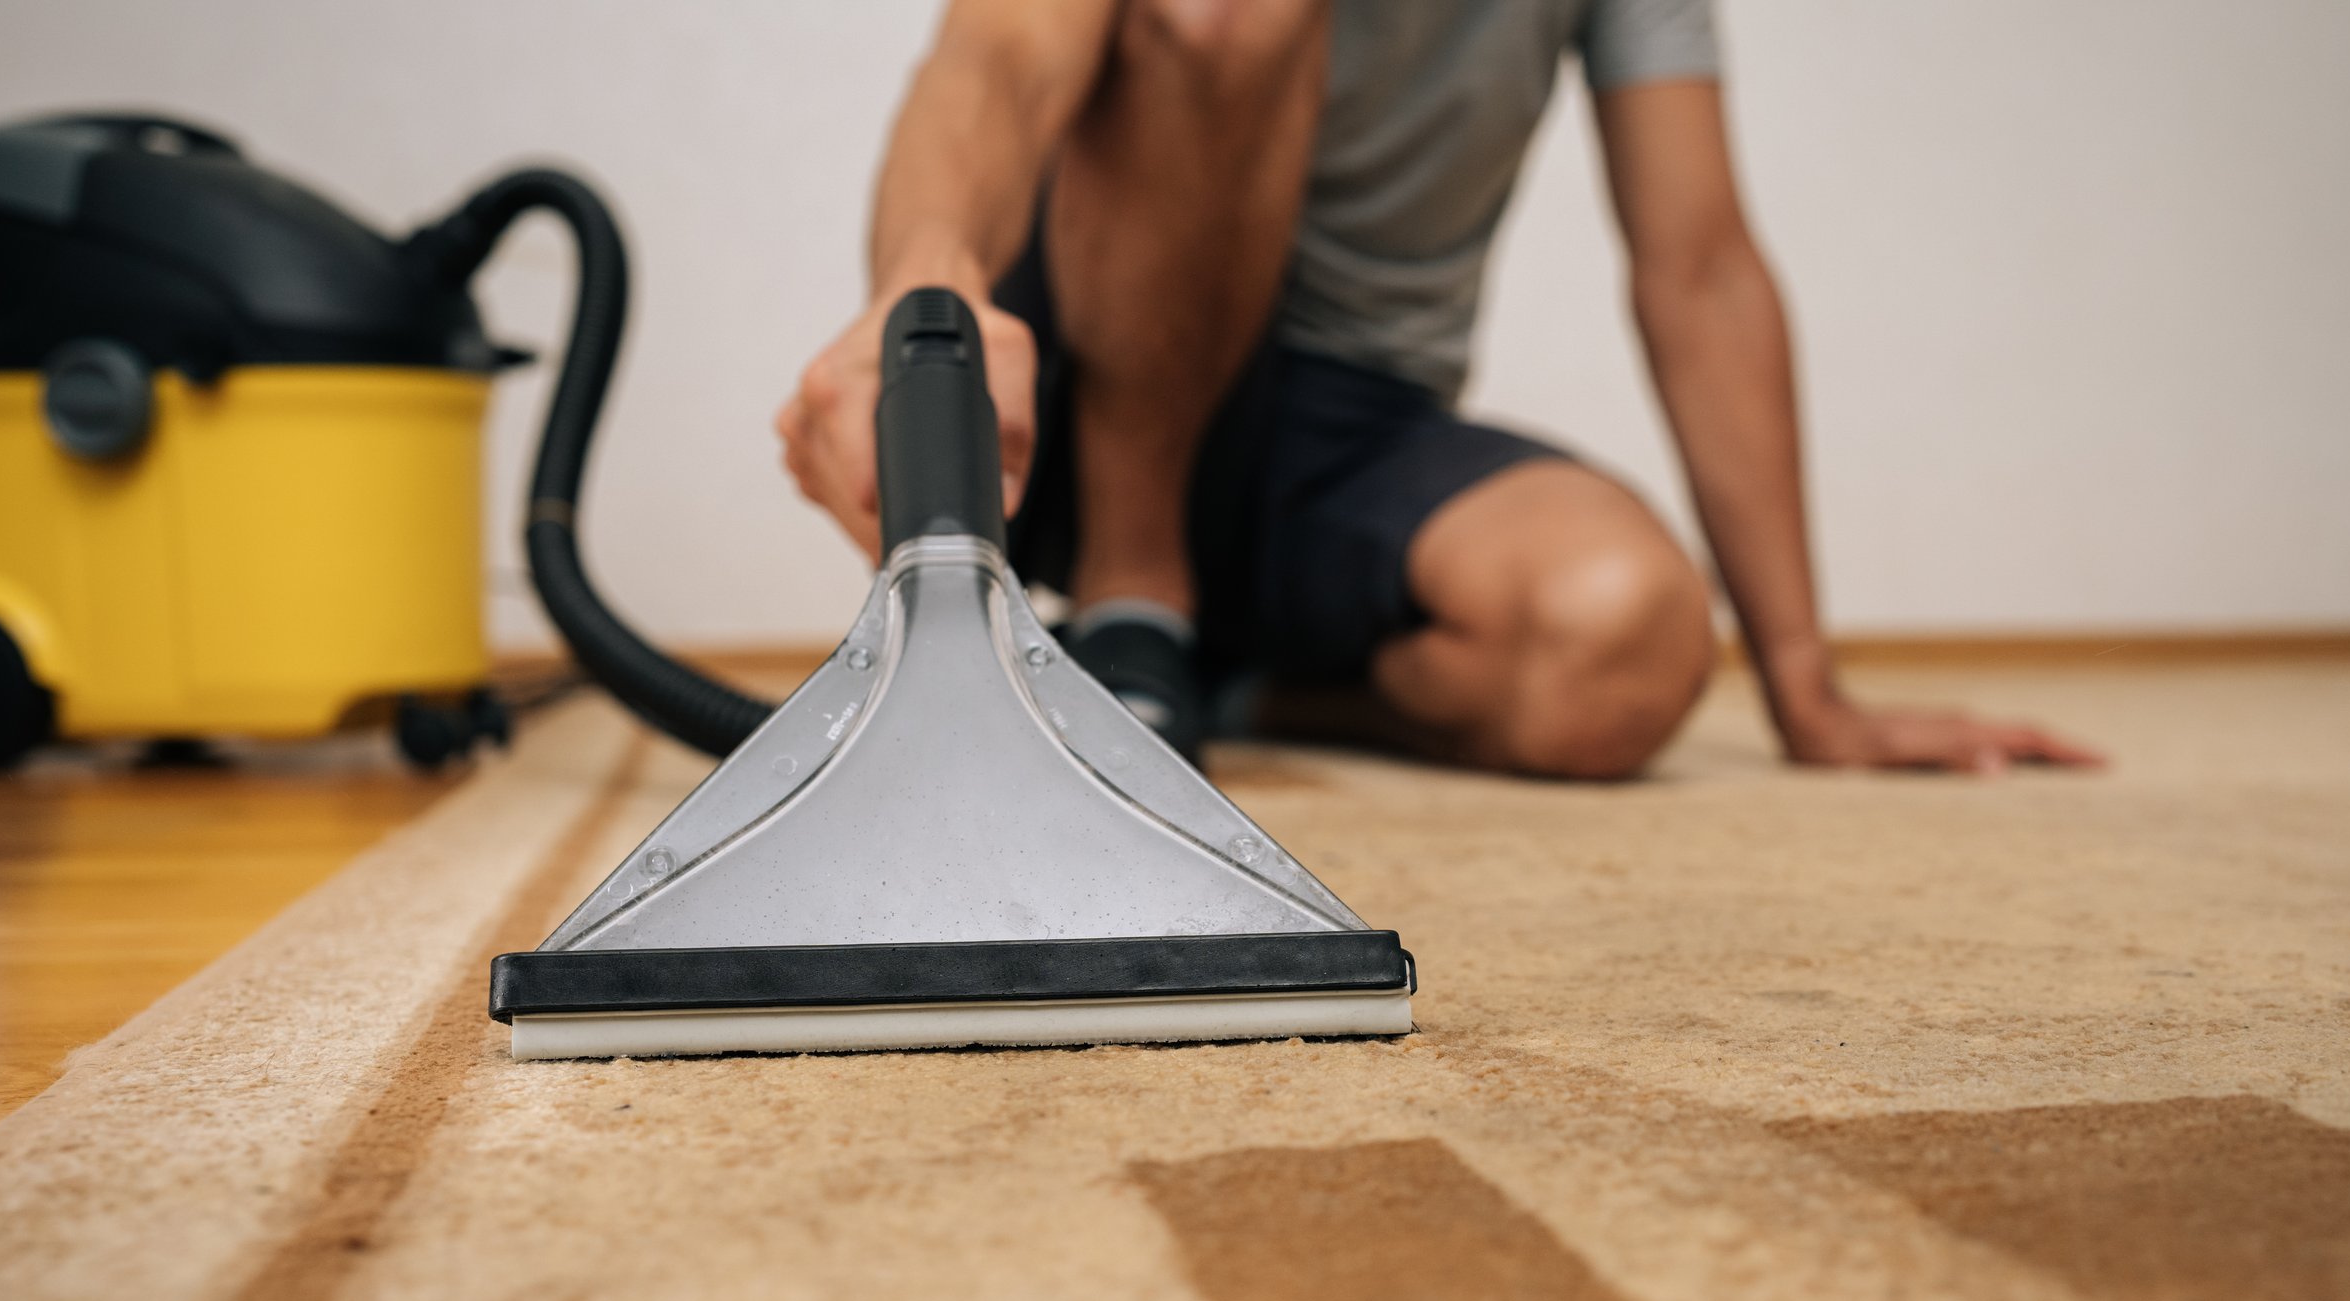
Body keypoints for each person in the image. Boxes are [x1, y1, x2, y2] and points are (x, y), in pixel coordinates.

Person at [776, 0, 2102, 776]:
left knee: (1631, 646)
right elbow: (997, 59)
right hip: (1087, 391)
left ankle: (1239, 684)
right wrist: (927, 288)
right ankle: (1135, 598)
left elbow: (1697, 263)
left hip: (1350, 432)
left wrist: (1805, 683)